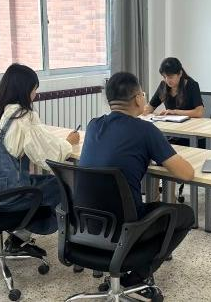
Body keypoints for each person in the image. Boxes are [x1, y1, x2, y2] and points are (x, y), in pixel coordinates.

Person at [80, 71, 195, 288]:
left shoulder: (94, 125)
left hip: (86, 223)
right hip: (126, 226)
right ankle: (138, 275)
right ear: (138, 98)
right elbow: (186, 174)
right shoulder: (145, 130)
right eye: (142, 93)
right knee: (186, 215)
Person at [0, 63, 80, 255]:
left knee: (44, 181)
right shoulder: (22, 117)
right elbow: (48, 156)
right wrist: (68, 143)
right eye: (34, 89)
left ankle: (20, 236)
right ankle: (33, 237)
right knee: (63, 184)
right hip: (10, 196)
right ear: (25, 90)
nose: (35, 94)